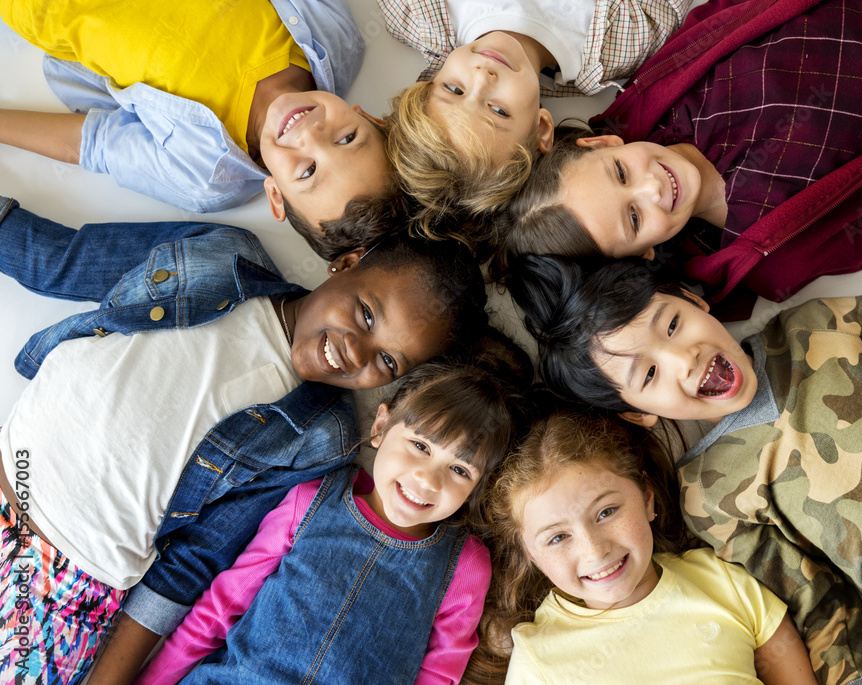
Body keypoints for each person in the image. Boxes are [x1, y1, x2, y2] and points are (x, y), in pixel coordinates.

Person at [0, 195, 489, 684]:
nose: (357, 352)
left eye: (387, 362)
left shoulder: (322, 436)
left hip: (64, 581)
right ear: (347, 263)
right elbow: (63, 260)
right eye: (365, 315)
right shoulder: (223, 254)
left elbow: (196, 559)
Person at [508, 253, 862, 684]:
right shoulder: (707, 495)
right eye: (650, 373)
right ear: (638, 413)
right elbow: (816, 600)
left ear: (693, 300)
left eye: (673, 324)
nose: (684, 359)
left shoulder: (819, 325)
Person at [495, 0, 862, 317]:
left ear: (602, 145)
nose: (651, 188)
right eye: (633, 218)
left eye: (621, 174)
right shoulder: (772, 253)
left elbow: (727, 11)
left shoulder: (667, 91)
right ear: (642, 255)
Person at [132, 354, 533, 685]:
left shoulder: (464, 564)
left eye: (460, 470)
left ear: (478, 490)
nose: (427, 479)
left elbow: (439, 674)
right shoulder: (309, 501)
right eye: (419, 445)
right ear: (380, 427)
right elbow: (219, 609)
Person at [0, 0, 394, 247]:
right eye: (347, 139)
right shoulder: (336, 40)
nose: (311, 136)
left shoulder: (205, 176)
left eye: (308, 171)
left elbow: (93, 144)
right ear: (366, 115)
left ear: (276, 195)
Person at [480, 404, 817, 684]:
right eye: (557, 537)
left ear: (647, 499)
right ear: (532, 556)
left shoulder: (724, 582)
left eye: (607, 512)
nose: (594, 550)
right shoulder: (538, 660)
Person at [379, 0, 691, 243]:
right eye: (499, 111)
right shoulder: (621, 42)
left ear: (429, 81)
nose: (482, 77)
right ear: (542, 128)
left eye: (454, 89)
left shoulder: (419, 14)